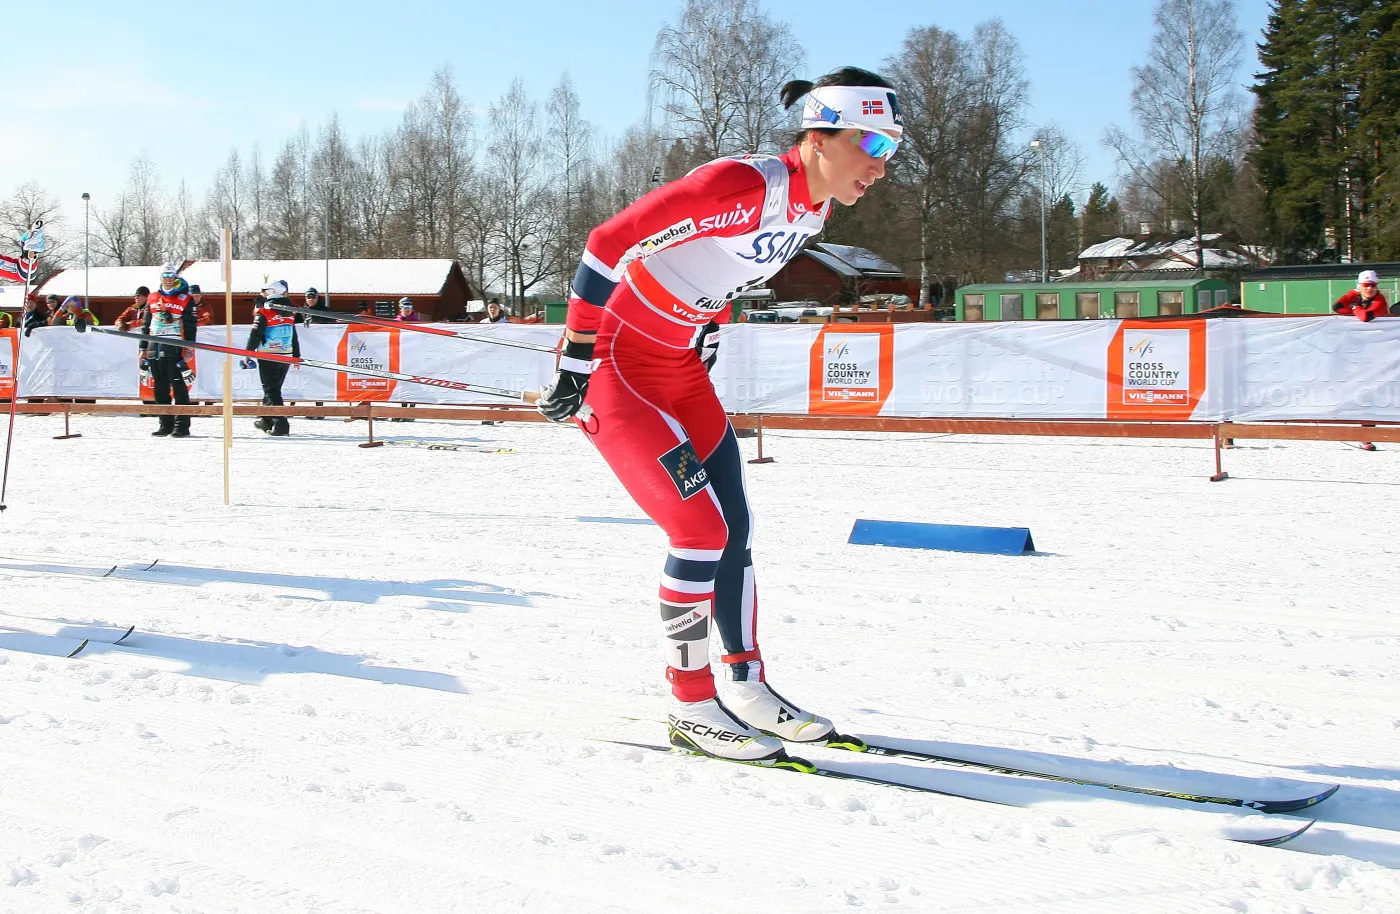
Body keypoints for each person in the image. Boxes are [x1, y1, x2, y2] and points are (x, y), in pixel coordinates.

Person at [537, 67, 902, 764]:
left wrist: (707, 324)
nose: (882, 166)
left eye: (892, 150)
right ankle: (689, 703)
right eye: (873, 144)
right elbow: (606, 243)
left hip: (676, 366)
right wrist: (577, 359)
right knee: (697, 529)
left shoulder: (814, 210)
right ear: (822, 136)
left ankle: (746, 684)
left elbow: (718, 272)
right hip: (617, 367)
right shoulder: (743, 186)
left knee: (734, 525)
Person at [1333, 270, 1390, 451]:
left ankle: (1366, 435)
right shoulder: (1356, 296)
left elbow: (1366, 317)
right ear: (1359, 286)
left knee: (1375, 394)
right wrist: (1353, 301)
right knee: (1362, 393)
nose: (1370, 289)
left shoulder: (1380, 300)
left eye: (1373, 285)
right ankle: (1363, 435)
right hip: (1360, 352)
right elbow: (1336, 306)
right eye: (1366, 285)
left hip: (1382, 352)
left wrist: (1353, 308)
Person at [140, 264, 198, 438]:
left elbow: (190, 326)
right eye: (165, 275)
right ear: (160, 277)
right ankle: (165, 424)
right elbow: (145, 325)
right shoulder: (152, 297)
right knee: (159, 388)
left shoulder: (185, 298)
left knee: (179, 388)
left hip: (174, 347)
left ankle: (182, 426)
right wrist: (143, 348)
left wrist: (189, 347)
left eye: (171, 275)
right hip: (154, 347)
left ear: (175, 277)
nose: (168, 278)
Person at [246, 281, 299, 437]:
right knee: (273, 390)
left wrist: (248, 353)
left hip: (268, 355)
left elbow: (255, 334)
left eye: (265, 291)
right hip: (286, 356)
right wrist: (296, 355)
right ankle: (266, 419)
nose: (262, 293)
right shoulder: (290, 312)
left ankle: (281, 424)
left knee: (271, 390)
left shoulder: (264, 313)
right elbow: (294, 336)